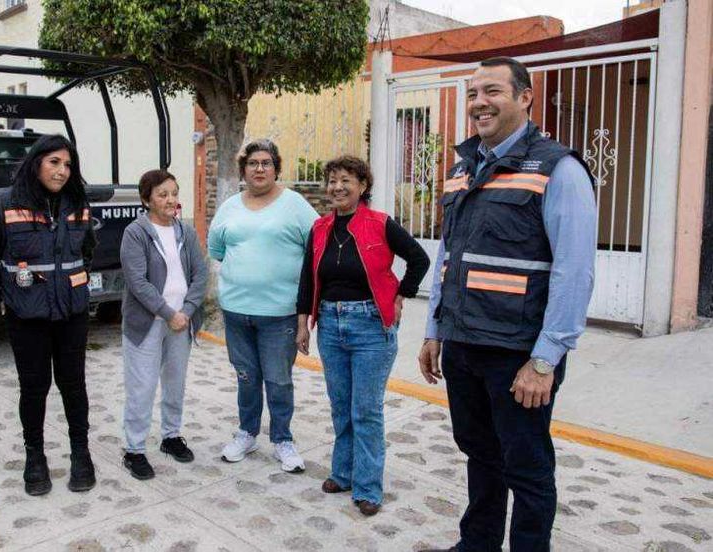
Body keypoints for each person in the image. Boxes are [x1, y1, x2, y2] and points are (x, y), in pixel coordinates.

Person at [418, 57, 596, 551]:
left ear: (525, 97)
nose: (479, 102)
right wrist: (434, 330)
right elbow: (449, 255)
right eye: (473, 93)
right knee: (480, 454)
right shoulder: (462, 168)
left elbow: (574, 271)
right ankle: (477, 544)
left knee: (527, 468)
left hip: (518, 354)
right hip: (463, 344)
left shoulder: (558, 169)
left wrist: (544, 360)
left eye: (492, 91)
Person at [295, 155, 429, 516]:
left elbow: (419, 259)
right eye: (332, 181)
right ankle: (343, 473)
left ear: (362, 186)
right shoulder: (320, 228)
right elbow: (308, 278)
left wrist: (402, 294)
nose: (337, 187)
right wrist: (302, 322)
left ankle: (368, 486)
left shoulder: (381, 223)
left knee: (365, 410)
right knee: (341, 406)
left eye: (346, 181)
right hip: (330, 324)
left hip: (370, 326)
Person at [0, 134, 98, 496]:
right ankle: (35, 457)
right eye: (54, 162)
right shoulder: (5, 203)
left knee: (74, 385)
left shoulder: (78, 204)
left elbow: (87, 252)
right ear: (36, 162)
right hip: (26, 316)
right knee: (34, 387)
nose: (62, 171)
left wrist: (73, 285)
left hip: (72, 313)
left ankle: (81, 454)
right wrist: (5, 293)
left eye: (68, 164)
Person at [207, 139, 319, 473]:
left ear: (276, 168)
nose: (259, 169)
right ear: (243, 170)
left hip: (280, 314)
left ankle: (283, 439)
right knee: (246, 377)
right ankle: (247, 433)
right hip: (237, 312)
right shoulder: (229, 207)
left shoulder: (295, 205)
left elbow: (317, 247)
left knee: (278, 380)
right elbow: (217, 250)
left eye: (266, 163)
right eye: (253, 163)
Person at [119, 169, 208, 480]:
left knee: (175, 383)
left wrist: (187, 310)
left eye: (174, 193)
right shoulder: (135, 233)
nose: (171, 200)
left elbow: (200, 274)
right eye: (162, 194)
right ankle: (134, 450)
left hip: (182, 322)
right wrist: (169, 313)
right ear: (147, 200)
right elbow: (138, 282)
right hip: (147, 323)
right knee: (142, 387)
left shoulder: (186, 232)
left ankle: (171, 436)